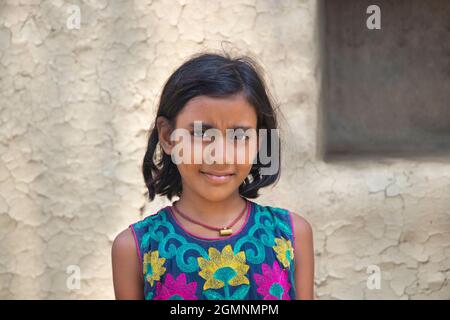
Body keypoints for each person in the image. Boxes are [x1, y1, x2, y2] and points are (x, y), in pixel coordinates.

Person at [111, 51, 314, 300]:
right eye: (201, 133)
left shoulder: (292, 235)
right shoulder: (135, 249)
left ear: (259, 142)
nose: (220, 155)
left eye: (239, 136)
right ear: (167, 137)